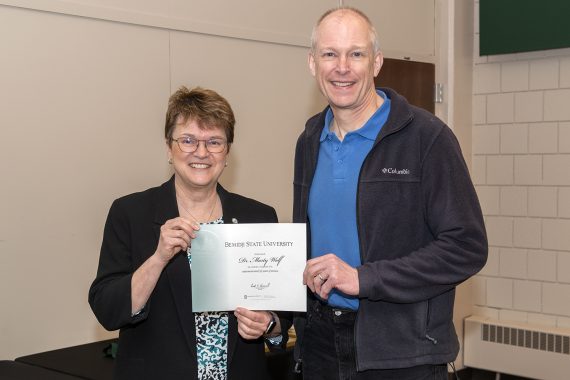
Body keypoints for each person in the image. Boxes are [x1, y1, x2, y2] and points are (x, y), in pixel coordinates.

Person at [293, 6, 488, 380]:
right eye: (330, 54)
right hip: (321, 346)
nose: (342, 67)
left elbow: (467, 246)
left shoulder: (428, 139)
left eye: (356, 53)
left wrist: (365, 279)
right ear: (313, 64)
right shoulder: (308, 140)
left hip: (401, 352)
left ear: (377, 62)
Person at [89, 86, 285, 380]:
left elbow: (283, 312)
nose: (202, 152)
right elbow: (107, 309)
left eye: (214, 142)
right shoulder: (131, 213)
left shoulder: (258, 217)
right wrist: (157, 258)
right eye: (188, 140)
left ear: (227, 152)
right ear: (169, 148)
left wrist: (270, 324)